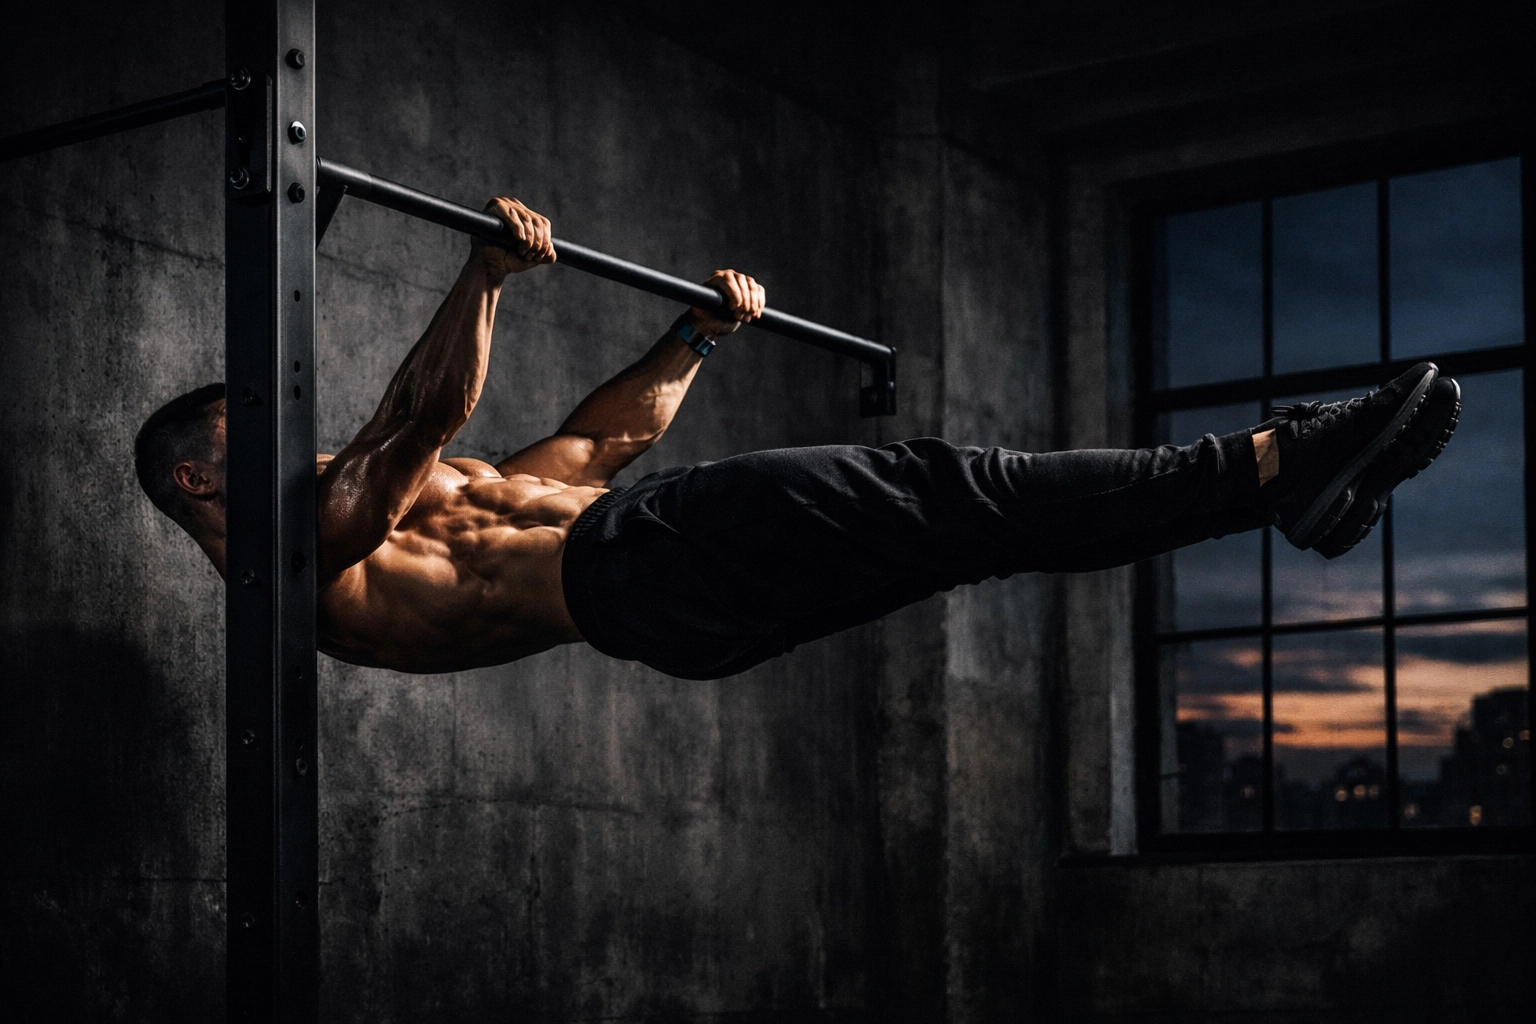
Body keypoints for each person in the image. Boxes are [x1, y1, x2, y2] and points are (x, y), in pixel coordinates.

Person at [134, 198, 1461, 679]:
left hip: (658, 588)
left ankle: (1271, 498)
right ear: (201, 476)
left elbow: (590, 455)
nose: (292, 425)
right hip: (636, 574)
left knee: (966, 531)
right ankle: (1284, 459)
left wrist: (695, 340)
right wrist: (483, 278)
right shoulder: (294, 562)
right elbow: (420, 416)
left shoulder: (386, 508)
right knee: (949, 487)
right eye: (259, 422)